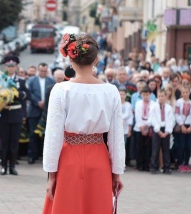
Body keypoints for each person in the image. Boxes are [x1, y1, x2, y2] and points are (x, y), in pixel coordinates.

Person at [43, 34, 124, 214]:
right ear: (96, 60)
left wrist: (51, 175)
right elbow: (116, 137)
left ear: (70, 58)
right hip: (99, 158)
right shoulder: (110, 91)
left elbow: (53, 136)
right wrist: (116, 173)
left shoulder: (61, 90)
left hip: (68, 158)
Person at [0, 55, 29, 175]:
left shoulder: (20, 80)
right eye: (8, 66)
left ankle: (12, 167)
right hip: (4, 113)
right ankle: (3, 166)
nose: (10, 68)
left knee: (14, 142)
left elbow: (27, 95)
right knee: (4, 142)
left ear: (16, 67)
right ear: (5, 67)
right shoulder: (1, 80)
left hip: (16, 113)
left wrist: (18, 94)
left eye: (13, 66)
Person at [27, 63, 54, 164]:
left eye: (45, 71)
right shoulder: (32, 80)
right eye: (41, 71)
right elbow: (29, 93)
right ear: (38, 71)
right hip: (34, 110)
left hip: (46, 111)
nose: (43, 72)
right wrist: (37, 102)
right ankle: (32, 155)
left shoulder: (51, 81)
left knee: (46, 135)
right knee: (33, 133)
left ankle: (44, 156)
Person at [149, 89, 175, 174]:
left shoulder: (169, 108)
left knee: (166, 150)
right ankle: (154, 167)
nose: (161, 98)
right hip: (157, 129)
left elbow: (171, 120)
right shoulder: (154, 106)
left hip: (166, 129)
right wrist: (158, 131)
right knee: (155, 149)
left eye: (162, 96)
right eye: (159, 96)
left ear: (166, 97)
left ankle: (167, 167)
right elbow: (153, 119)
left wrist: (167, 132)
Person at [175, 86, 191, 173]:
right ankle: (180, 163)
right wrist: (182, 125)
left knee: (188, 146)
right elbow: (177, 114)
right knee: (181, 146)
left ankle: (186, 163)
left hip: (190, 126)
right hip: (182, 126)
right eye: (183, 92)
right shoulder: (178, 102)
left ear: (189, 93)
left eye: (186, 92)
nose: (185, 94)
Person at [134, 86, 156, 172]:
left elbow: (152, 116)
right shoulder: (138, 103)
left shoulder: (153, 104)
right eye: (144, 94)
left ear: (150, 94)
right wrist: (141, 126)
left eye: (147, 94)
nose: (145, 96)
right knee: (139, 147)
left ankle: (147, 164)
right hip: (139, 127)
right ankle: (140, 164)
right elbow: (137, 115)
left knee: (148, 147)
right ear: (141, 95)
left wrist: (146, 125)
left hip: (149, 127)